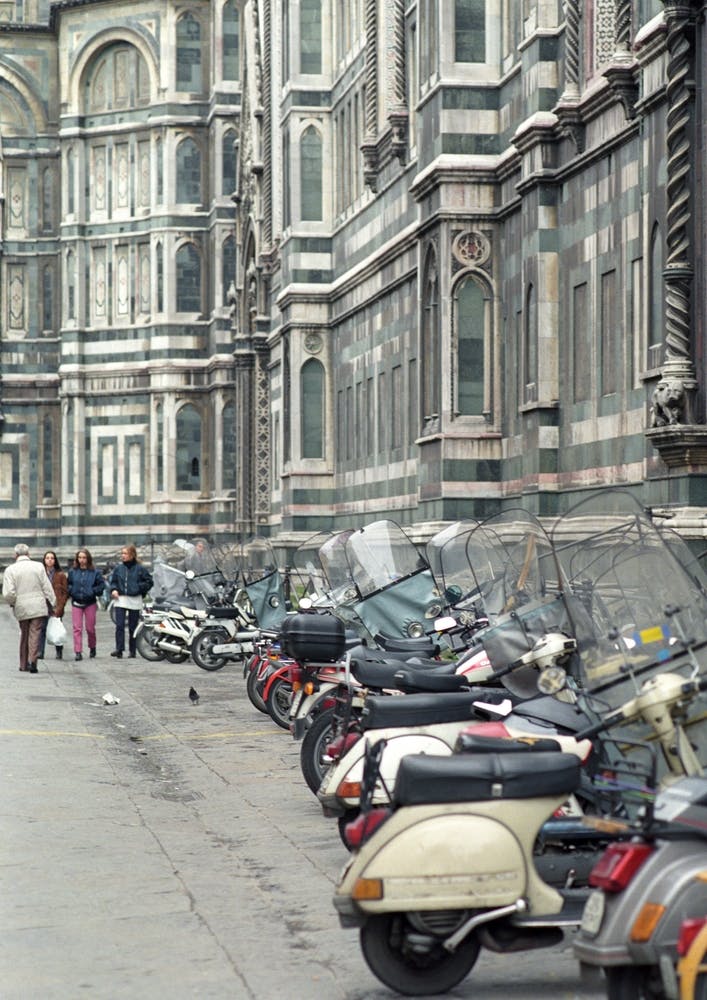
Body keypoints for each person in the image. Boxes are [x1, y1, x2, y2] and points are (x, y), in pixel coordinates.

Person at [2, 543, 57, 673]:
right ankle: (33, 661)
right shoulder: (38, 567)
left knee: (24, 634)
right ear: (28, 554)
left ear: (15, 555)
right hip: (38, 605)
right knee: (35, 634)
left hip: (21, 606)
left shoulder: (11, 570)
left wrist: (13, 602)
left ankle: (23, 664)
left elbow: (8, 593)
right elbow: (47, 587)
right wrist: (53, 602)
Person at [109, 544, 153, 658]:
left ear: (132, 555)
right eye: (122, 553)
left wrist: (138, 588)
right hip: (121, 599)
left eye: (125, 553)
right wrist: (114, 589)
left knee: (133, 627)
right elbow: (113, 582)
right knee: (119, 625)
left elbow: (149, 582)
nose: (123, 556)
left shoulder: (140, 569)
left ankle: (132, 650)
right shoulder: (118, 569)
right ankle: (119, 649)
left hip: (135, 600)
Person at [67, 548, 105, 661]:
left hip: (90, 603)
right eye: (80, 557)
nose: (82, 560)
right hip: (76, 602)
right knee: (77, 628)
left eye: (84, 557)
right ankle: (78, 651)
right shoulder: (72, 572)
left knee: (90, 628)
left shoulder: (95, 572)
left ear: (88, 558)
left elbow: (101, 585)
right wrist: (72, 591)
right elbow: (68, 584)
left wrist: (93, 591)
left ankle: (92, 647)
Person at [37, 551, 69, 660]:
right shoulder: (40, 574)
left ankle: (59, 651)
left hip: (56, 605)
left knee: (57, 628)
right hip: (43, 605)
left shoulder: (60, 575)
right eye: (47, 558)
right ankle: (40, 651)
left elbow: (65, 592)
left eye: (52, 558)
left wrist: (61, 606)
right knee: (42, 629)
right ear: (44, 560)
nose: (50, 560)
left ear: (55, 561)